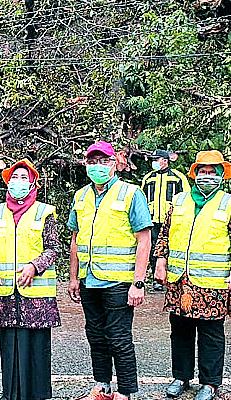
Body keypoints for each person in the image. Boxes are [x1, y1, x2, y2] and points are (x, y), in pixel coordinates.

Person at [153, 150, 231, 400]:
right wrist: (160, 262)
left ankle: (209, 383)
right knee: (180, 331)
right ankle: (181, 377)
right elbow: (165, 234)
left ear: (221, 176)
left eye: (212, 172)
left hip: (213, 283)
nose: (207, 176)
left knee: (211, 333)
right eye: (203, 172)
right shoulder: (180, 200)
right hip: (180, 282)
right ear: (195, 174)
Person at [67, 142, 153, 400]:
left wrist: (138, 282)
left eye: (103, 161)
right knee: (96, 336)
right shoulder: (80, 196)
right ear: (86, 165)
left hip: (118, 282)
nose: (98, 166)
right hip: (89, 279)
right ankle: (102, 385)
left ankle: (125, 392)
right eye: (92, 161)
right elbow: (75, 239)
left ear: (115, 163)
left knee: (119, 338)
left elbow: (144, 239)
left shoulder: (131, 193)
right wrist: (74, 277)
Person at [0, 159, 61, 400]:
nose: (18, 181)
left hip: (36, 295)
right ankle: (10, 394)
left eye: (23, 177)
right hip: (6, 293)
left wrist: (34, 266)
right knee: (8, 346)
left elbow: (53, 248)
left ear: (32, 184)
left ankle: (37, 395)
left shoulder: (44, 212)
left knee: (36, 348)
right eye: (14, 177)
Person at [140, 150, 190, 291]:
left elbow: (187, 198)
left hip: (172, 220)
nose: (154, 162)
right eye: (153, 160)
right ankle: (157, 279)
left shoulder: (178, 177)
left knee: (172, 248)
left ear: (165, 161)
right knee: (154, 249)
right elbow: (142, 199)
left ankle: (173, 277)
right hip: (152, 220)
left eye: (157, 159)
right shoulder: (148, 178)